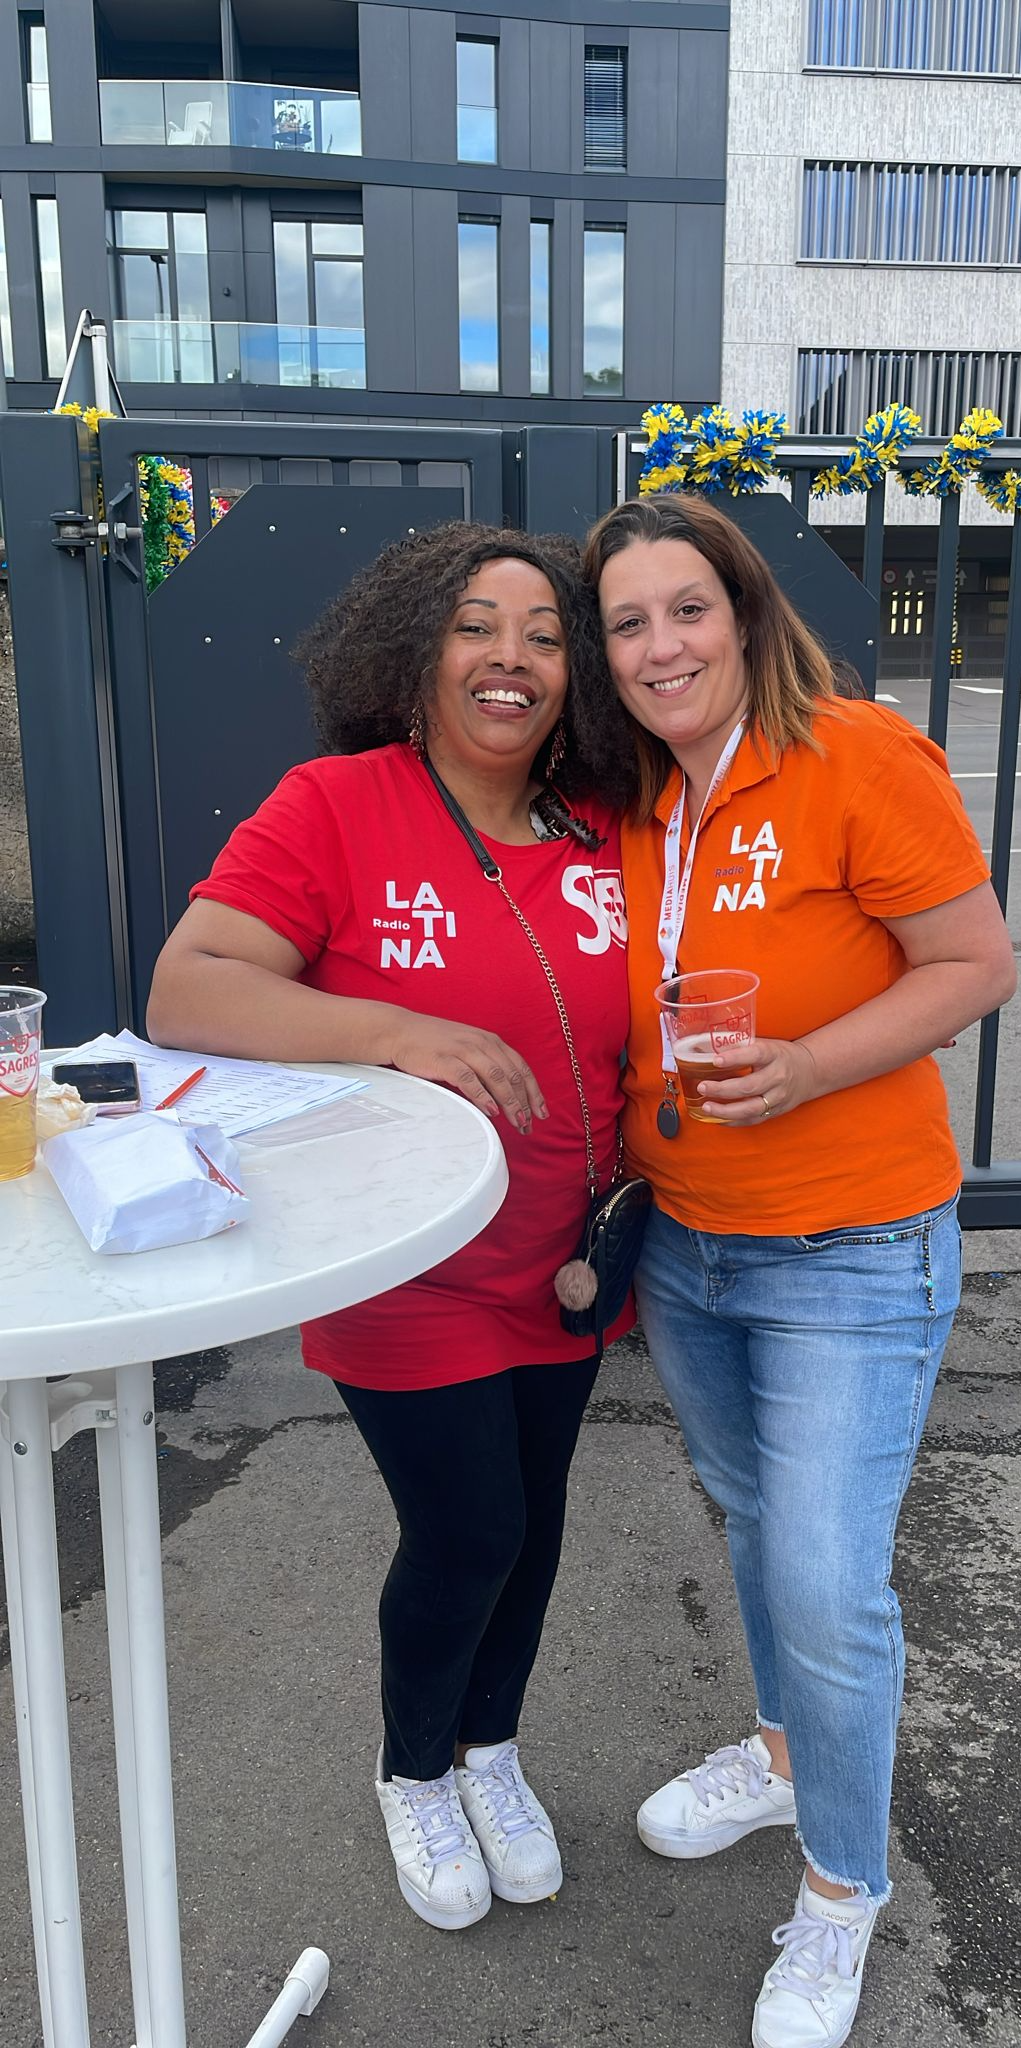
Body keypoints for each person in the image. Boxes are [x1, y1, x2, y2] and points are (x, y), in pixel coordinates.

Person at [148, 522, 636, 1932]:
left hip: (568, 1256)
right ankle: (414, 1768)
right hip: (407, 1263)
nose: (510, 658)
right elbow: (189, 987)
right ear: (414, 652)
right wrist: (396, 1029)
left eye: (545, 634)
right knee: (469, 1529)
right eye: (477, 625)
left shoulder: (601, 821)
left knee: (534, 1525)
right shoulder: (337, 803)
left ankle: (493, 1750)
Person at [583, 495, 1016, 2048]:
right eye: (627, 624)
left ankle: (843, 1890)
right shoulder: (636, 793)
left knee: (829, 1581)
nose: (660, 646)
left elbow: (976, 964)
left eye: (686, 608)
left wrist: (812, 1063)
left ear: (747, 613)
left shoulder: (855, 755)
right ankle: (781, 1755)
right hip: (690, 1240)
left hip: (852, 1246)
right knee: (758, 1521)